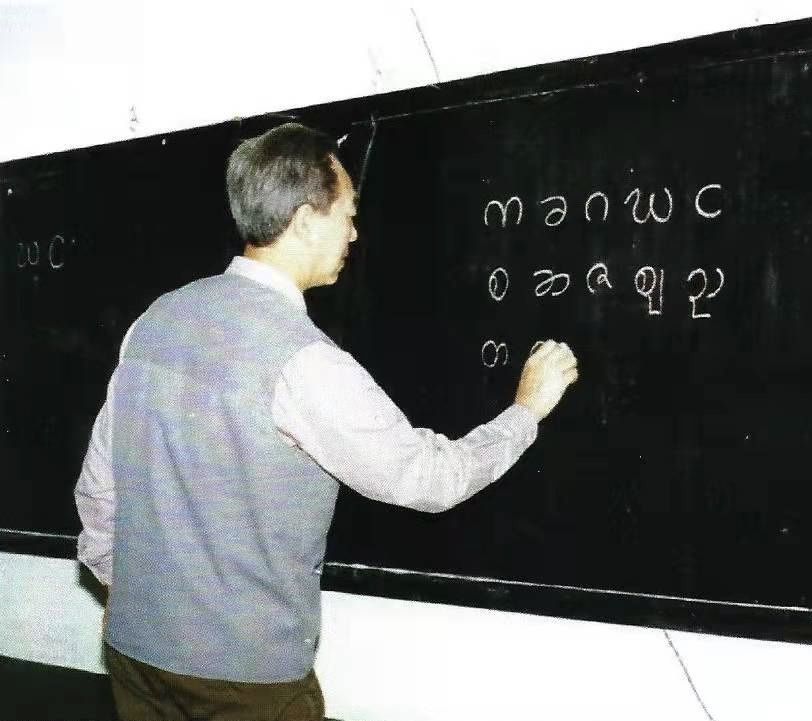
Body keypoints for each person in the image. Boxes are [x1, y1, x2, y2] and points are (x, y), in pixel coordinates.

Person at [74, 122, 579, 721]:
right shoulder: (303, 360)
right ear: (306, 221)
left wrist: (128, 599)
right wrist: (525, 412)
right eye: (348, 214)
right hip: (242, 682)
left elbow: (99, 487)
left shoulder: (155, 320)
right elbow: (428, 478)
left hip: (136, 656)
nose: (354, 232)